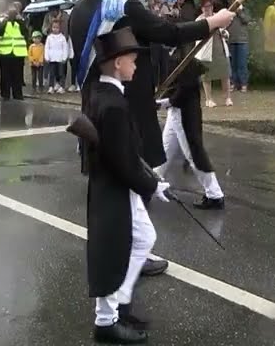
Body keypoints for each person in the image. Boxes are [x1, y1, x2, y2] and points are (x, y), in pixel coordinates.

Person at [69, 0, 233, 279]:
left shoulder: (79, 11)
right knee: (131, 182)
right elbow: (168, 32)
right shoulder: (121, 6)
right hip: (125, 109)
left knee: (113, 186)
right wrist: (212, 22)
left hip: (94, 107)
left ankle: (125, 252)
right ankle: (131, 258)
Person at [85, 27, 168, 344]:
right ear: (118, 64)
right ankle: (106, 320)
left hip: (114, 184)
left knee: (143, 238)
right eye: (132, 60)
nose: (136, 66)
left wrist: (148, 178)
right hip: (115, 188)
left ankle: (117, 305)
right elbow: (122, 161)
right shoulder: (114, 105)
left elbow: (121, 151)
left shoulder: (103, 94)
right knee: (113, 250)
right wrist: (152, 185)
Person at [154, 38, 225, 209]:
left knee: (194, 154)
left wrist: (164, 103)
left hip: (185, 114)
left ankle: (215, 195)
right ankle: (152, 184)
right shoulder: (176, 57)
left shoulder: (184, 61)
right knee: (165, 149)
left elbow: (185, 90)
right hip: (176, 112)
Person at [0, 4, 29, 100]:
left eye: (14, 11)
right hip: (4, 52)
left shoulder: (21, 21)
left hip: (18, 52)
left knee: (18, 75)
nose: (12, 14)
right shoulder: (3, 20)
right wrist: (5, 21)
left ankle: (17, 94)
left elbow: (25, 32)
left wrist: (20, 21)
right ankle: (5, 94)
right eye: (11, 11)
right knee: (5, 75)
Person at [45, 20, 71, 93]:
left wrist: (64, 57)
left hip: (60, 58)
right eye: (54, 27)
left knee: (61, 73)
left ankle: (62, 86)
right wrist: (47, 57)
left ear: (60, 28)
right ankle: (51, 87)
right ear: (51, 28)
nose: (55, 29)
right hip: (52, 59)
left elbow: (65, 48)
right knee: (52, 74)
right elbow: (47, 48)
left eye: (57, 27)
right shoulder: (49, 37)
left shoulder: (62, 38)